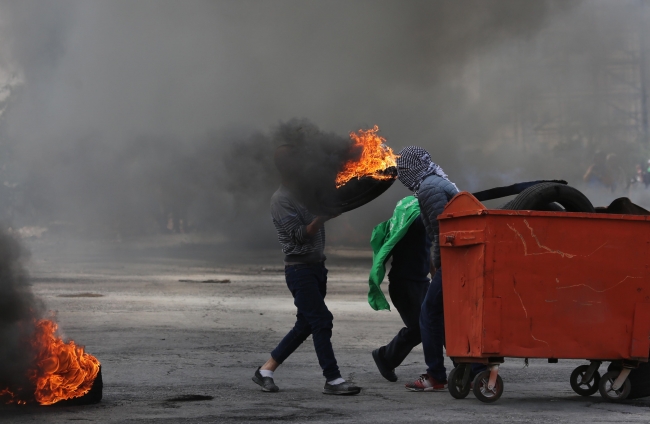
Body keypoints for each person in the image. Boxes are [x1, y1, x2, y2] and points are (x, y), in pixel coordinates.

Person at [252, 144, 361, 396]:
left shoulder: (307, 192)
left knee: (305, 324)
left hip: (317, 268)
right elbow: (299, 236)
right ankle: (332, 379)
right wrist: (323, 217)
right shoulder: (281, 199)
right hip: (299, 271)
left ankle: (265, 370)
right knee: (321, 320)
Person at [394, 146, 482, 392]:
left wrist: (439, 266)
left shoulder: (429, 189)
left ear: (413, 168)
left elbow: (443, 233)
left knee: (429, 315)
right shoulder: (437, 182)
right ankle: (474, 370)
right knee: (452, 316)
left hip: (454, 262)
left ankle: (436, 375)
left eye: (404, 169)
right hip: (459, 261)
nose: (402, 175)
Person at [368, 195, 431, 382]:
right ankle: (385, 357)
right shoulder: (415, 218)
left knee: (436, 324)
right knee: (419, 328)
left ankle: (461, 365)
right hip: (404, 284)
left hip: (421, 282)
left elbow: (429, 254)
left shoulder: (421, 218)